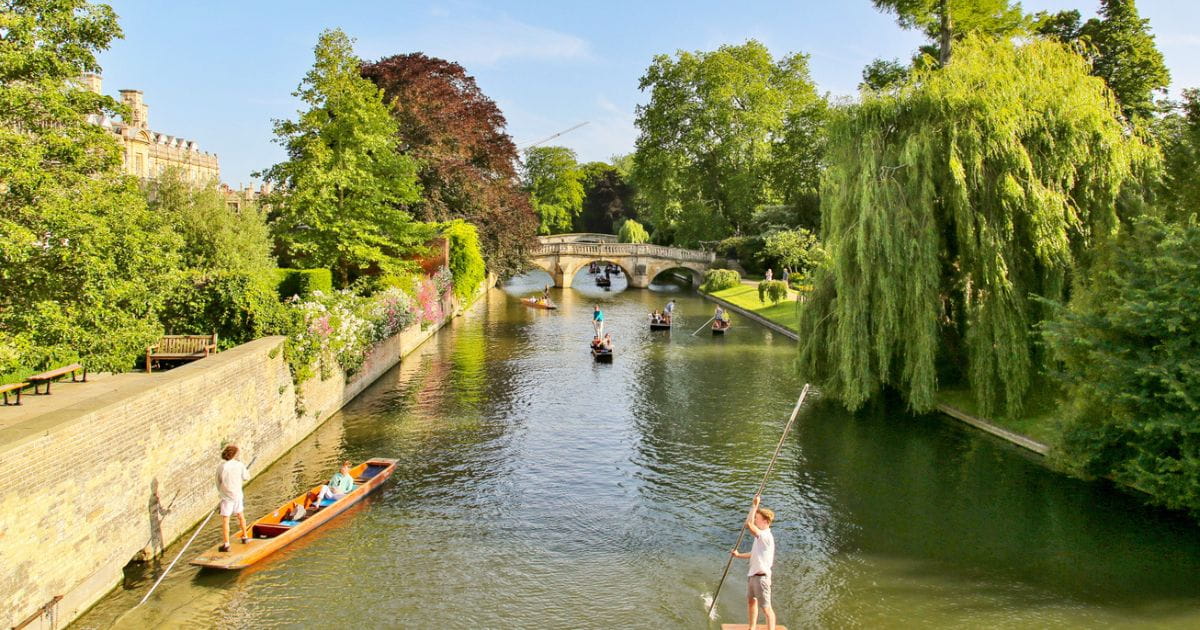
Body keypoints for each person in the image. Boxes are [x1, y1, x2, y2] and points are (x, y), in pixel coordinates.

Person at [730, 495, 777, 630]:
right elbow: (754, 554)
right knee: (751, 602)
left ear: (766, 521)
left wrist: (755, 505)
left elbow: (748, 525)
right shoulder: (760, 538)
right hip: (753, 576)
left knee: (767, 609)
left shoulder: (765, 536)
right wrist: (739, 555)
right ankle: (752, 628)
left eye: (758, 519)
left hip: (761, 578)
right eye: (755, 518)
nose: (755, 521)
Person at [216, 444, 250, 553]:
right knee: (240, 515)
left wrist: (221, 493)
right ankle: (245, 537)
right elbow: (246, 477)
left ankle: (226, 544)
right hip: (237, 495)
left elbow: (218, 482)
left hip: (226, 496)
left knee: (226, 520)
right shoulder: (239, 465)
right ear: (234, 455)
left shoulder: (221, 467)